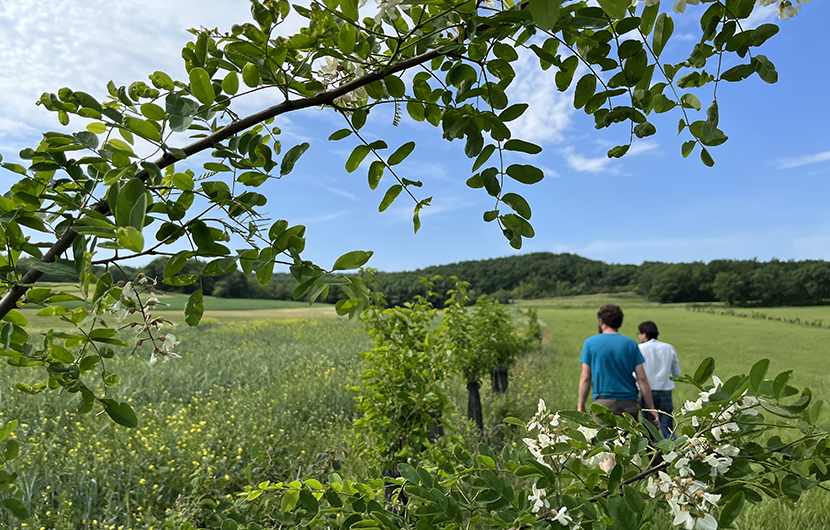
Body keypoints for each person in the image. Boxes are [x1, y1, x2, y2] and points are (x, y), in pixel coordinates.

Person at [577, 304, 659, 428]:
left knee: (604, 444)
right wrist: (651, 407)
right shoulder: (631, 344)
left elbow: (586, 378)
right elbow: (641, 378)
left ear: (601, 321)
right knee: (628, 443)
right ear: (620, 322)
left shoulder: (590, 343)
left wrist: (581, 405)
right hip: (629, 403)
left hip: (603, 403)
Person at [637, 321, 681, 439]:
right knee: (668, 429)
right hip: (665, 392)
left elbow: (634, 373)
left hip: (646, 393)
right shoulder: (668, 347)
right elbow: (676, 373)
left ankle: (653, 455)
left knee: (649, 430)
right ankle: (674, 453)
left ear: (644, 334)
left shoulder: (639, 348)